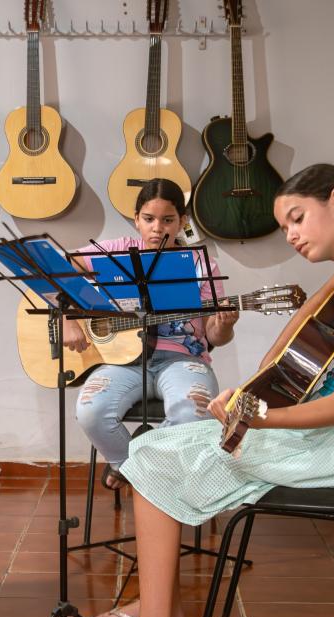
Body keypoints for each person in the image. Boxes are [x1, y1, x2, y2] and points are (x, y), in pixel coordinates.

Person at [70, 163, 334, 617]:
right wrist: (255, 385)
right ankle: (161, 614)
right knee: (151, 454)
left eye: (298, 219)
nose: (293, 236)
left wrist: (260, 416)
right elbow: (298, 333)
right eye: (285, 227)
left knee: (148, 455)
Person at [66, 179, 240, 490]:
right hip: (122, 360)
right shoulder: (113, 253)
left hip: (182, 359)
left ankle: (138, 470)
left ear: (182, 221)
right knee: (90, 411)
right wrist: (68, 318)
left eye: (168, 220)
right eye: (148, 219)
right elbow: (59, 269)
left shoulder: (201, 264)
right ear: (136, 219)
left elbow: (215, 335)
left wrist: (224, 323)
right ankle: (134, 467)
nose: (157, 228)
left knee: (192, 413)